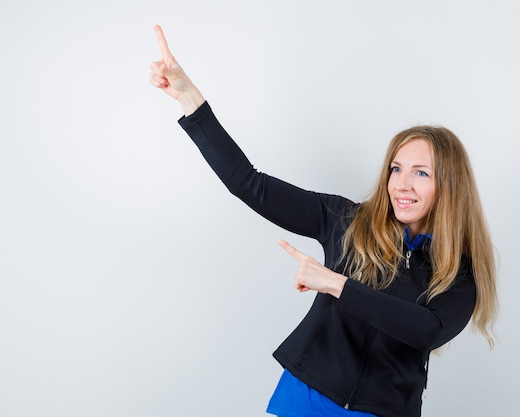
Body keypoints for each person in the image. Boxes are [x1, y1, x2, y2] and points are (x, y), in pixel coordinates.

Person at [149, 24, 497, 417]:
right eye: (396, 169)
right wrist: (189, 99)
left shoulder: (459, 272)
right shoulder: (346, 221)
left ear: (448, 186)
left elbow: (427, 330)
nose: (402, 184)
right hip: (303, 400)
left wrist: (336, 284)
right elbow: (249, 184)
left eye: (421, 173)